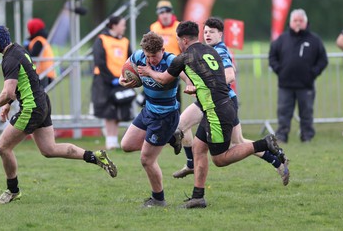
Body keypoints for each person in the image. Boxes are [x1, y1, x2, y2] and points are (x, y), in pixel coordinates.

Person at [138, 21, 288, 208]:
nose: (177, 43)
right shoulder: (211, 51)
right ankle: (198, 197)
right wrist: (198, 88)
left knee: (220, 158)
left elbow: (162, 79)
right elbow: (210, 77)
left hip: (216, 110)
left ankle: (264, 143)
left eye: (178, 39)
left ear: (184, 40)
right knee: (199, 148)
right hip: (218, 105)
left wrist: (148, 71)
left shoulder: (182, 58)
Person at [0, 25, 117, 204]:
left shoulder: (9, 59)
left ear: (1, 40)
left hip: (32, 108)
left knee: (2, 147)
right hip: (42, 102)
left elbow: (8, 91)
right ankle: (94, 156)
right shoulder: (18, 50)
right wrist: (8, 105)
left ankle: (12, 191)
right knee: (49, 149)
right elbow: (24, 82)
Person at [172, 17, 290, 186]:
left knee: (180, 127)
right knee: (239, 142)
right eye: (205, 32)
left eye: (212, 32)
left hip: (219, 101)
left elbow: (230, 75)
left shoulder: (219, 51)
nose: (208, 35)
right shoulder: (206, 50)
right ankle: (277, 160)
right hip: (219, 101)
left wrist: (203, 85)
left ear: (221, 34)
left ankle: (191, 164)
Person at [119, 32, 182, 208]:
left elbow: (169, 78)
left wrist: (149, 71)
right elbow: (124, 71)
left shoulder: (171, 61)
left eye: (154, 56)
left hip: (165, 116)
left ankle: (158, 199)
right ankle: (171, 137)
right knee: (126, 145)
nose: (151, 59)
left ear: (162, 50)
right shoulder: (139, 56)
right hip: (148, 110)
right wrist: (123, 81)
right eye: (148, 56)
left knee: (146, 159)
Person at [269, 9, 328, 143]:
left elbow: (323, 59)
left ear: (306, 23)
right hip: (285, 84)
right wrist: (280, 70)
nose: (298, 23)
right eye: (295, 21)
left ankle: (307, 136)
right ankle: (282, 136)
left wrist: (313, 73)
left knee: (306, 113)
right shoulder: (282, 39)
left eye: (300, 21)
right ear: (290, 22)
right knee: (283, 113)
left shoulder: (314, 40)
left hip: (305, 85)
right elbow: (272, 56)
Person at [91, 15, 133, 150]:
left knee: (119, 111)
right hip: (104, 81)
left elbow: (130, 60)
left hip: (121, 80)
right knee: (108, 112)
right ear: (114, 25)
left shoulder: (125, 41)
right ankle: (111, 142)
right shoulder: (101, 39)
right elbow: (100, 61)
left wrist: (125, 77)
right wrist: (111, 79)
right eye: (122, 24)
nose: (124, 27)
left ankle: (114, 140)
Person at [144, 0, 182, 110]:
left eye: (167, 12)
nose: (165, 15)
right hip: (156, 68)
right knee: (153, 97)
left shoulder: (179, 27)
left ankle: (176, 124)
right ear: (158, 14)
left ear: (171, 13)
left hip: (174, 68)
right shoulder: (153, 27)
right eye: (162, 12)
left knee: (174, 98)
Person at [26, 18, 56, 88]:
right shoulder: (43, 40)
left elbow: (31, 57)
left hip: (43, 75)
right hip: (49, 74)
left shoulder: (38, 41)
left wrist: (26, 47)